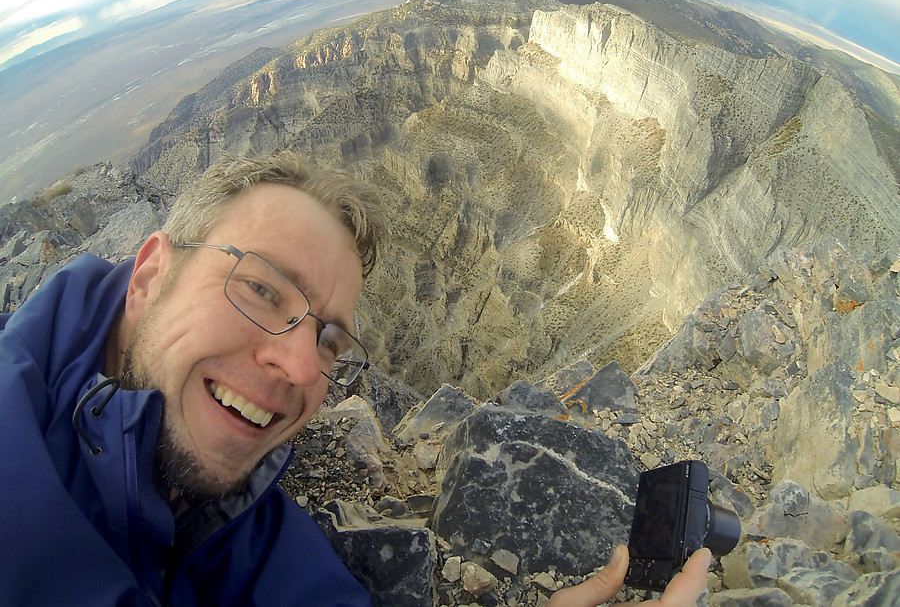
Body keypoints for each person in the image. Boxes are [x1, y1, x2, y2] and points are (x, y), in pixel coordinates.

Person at [0, 151, 710, 605]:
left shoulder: (239, 511)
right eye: (263, 289)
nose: (306, 366)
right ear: (151, 275)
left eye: (331, 337)